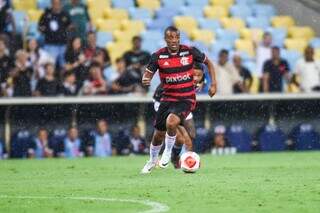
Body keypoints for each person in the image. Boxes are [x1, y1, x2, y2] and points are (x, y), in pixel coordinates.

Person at [141, 26, 217, 174]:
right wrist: (145, 79)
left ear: (179, 38)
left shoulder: (190, 51)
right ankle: (151, 161)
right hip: (167, 98)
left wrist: (213, 83)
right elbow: (148, 74)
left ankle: (168, 152)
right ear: (166, 39)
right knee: (158, 135)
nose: (174, 41)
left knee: (172, 122)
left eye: (176, 37)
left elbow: (209, 63)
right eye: (170, 38)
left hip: (185, 98)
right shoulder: (158, 56)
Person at [152, 62, 205, 168]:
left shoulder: (197, 79)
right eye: (194, 75)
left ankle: (184, 160)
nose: (196, 78)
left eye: (199, 76)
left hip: (182, 104)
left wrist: (202, 83)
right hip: (165, 104)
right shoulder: (179, 79)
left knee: (192, 135)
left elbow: (201, 80)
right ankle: (180, 160)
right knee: (180, 138)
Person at [38, 0, 72, 66]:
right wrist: (41, 29)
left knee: (64, 66)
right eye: (54, 3)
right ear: (51, 4)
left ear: (60, 4)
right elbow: (40, 27)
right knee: (50, 66)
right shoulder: (46, 14)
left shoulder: (65, 14)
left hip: (63, 44)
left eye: (58, 3)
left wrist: (70, 29)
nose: (56, 5)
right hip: (50, 45)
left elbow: (70, 26)